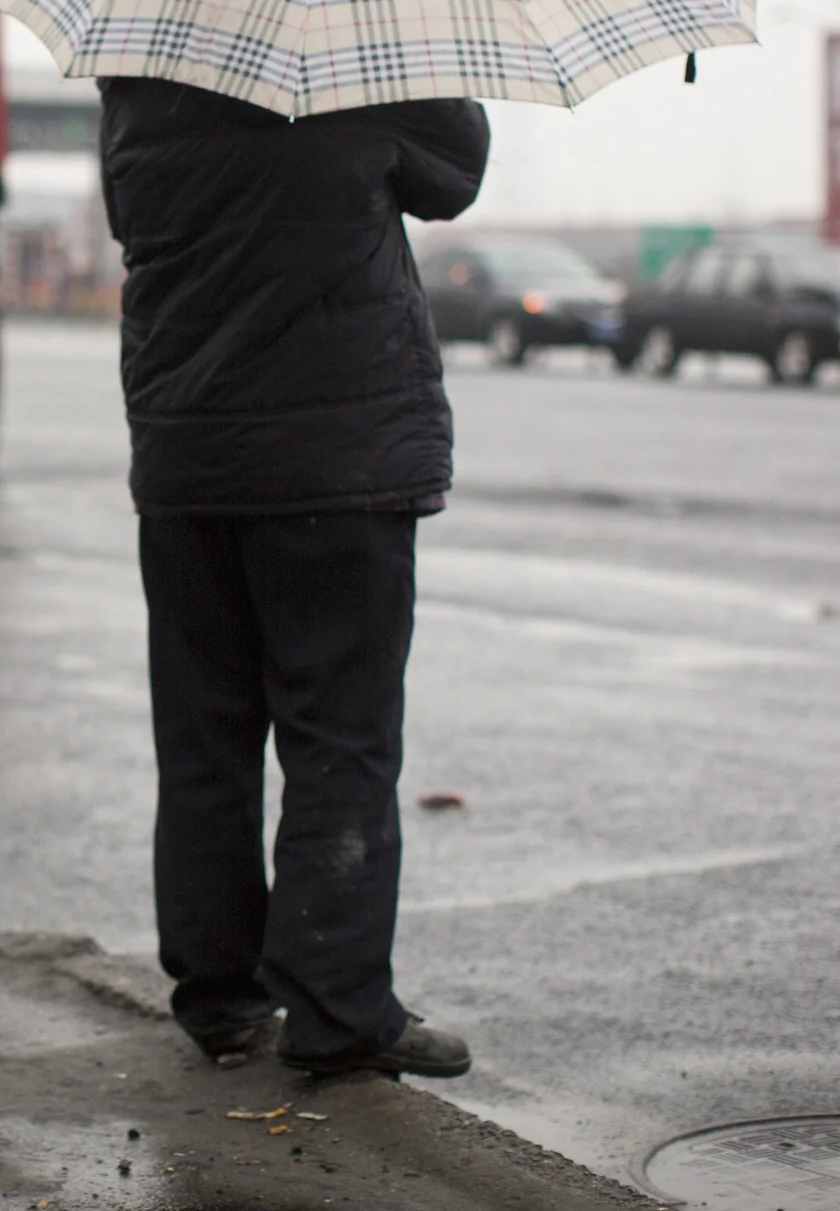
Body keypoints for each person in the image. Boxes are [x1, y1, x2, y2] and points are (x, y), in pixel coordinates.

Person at [98, 75, 490, 1079]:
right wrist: (434, 61)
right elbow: (455, 171)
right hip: (336, 457)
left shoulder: (141, 82)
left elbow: (134, 213)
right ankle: (336, 1006)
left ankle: (221, 998)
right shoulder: (363, 65)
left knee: (202, 735)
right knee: (339, 739)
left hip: (188, 456)